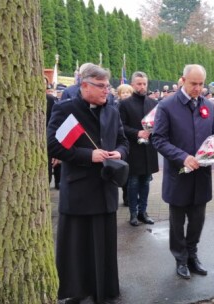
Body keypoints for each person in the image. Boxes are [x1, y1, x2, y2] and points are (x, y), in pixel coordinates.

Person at [47, 64, 129, 303]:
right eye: (101, 86)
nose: (107, 91)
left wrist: (119, 154)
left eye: (108, 86)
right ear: (85, 85)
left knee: (104, 244)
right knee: (77, 246)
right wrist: (87, 155)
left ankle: (105, 289)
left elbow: (124, 141)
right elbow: (52, 144)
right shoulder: (66, 109)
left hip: (106, 190)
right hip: (79, 190)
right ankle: (77, 291)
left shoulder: (113, 110)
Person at [151, 64, 214, 279]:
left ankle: (192, 255)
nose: (198, 88)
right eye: (193, 84)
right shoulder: (167, 106)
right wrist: (183, 157)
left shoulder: (209, 105)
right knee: (177, 222)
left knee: (197, 220)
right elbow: (158, 139)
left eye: (201, 84)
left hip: (201, 175)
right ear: (182, 80)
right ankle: (180, 259)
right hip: (179, 175)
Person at [119, 71, 159, 226]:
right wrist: (137, 133)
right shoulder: (124, 104)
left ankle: (143, 212)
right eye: (139, 84)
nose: (142, 86)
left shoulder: (153, 103)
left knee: (146, 182)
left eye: (144, 84)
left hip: (148, 150)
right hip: (133, 150)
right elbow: (121, 127)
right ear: (133, 84)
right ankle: (133, 213)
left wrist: (153, 132)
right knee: (133, 183)